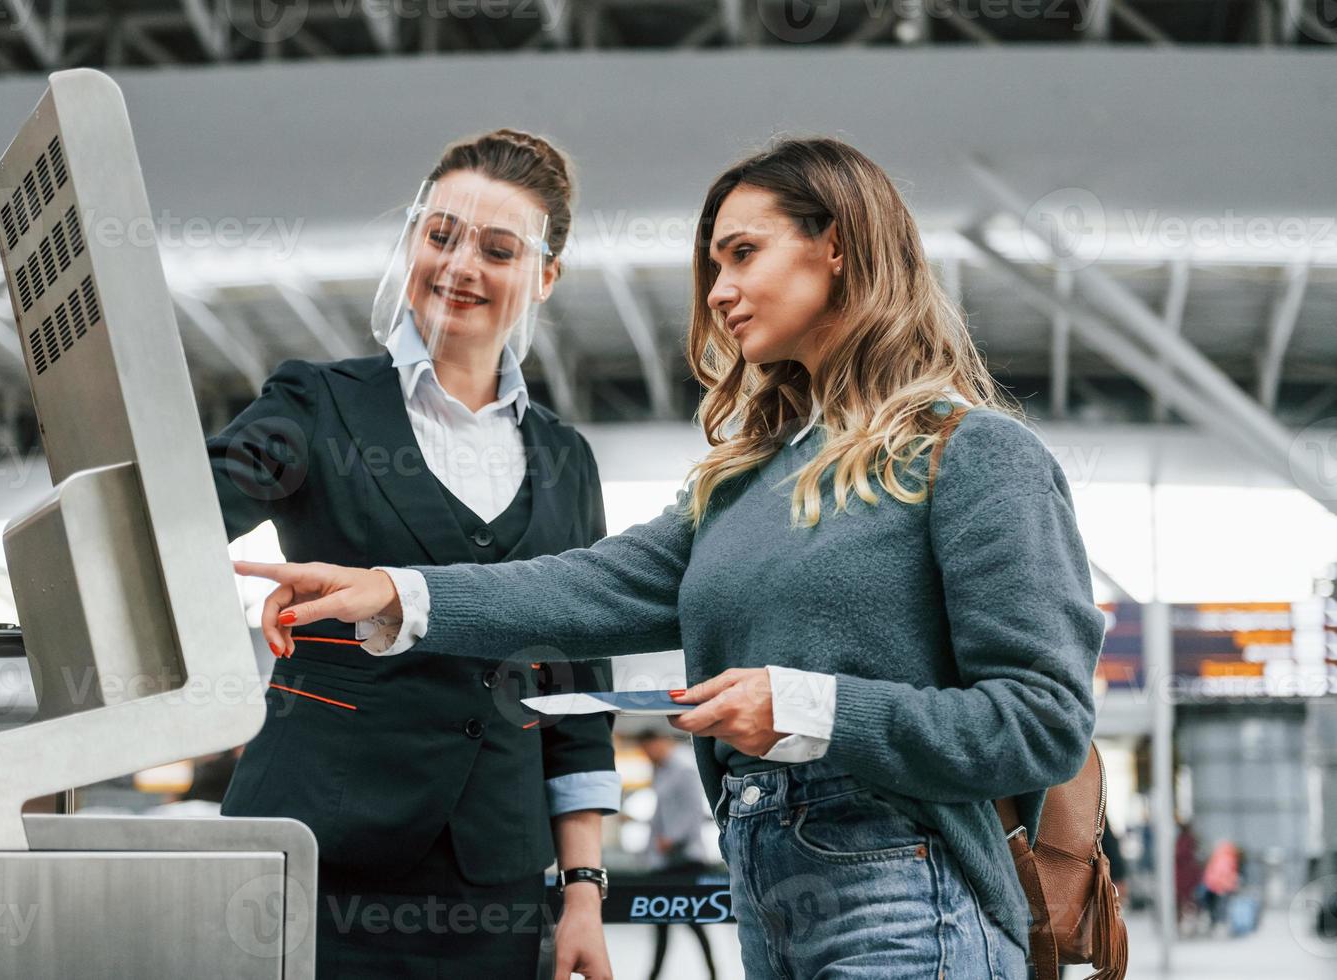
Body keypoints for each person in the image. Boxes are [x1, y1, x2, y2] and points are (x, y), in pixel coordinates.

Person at [235, 137, 1104, 978]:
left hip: (915, 897)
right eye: (712, 269)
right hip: (769, 894)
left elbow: (1042, 721)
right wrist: (393, 591)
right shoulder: (742, 485)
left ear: (836, 246)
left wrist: (808, 706)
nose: (720, 293)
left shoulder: (972, 453)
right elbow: (583, 588)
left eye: (742, 255)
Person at [210, 129, 618, 979]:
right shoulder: (317, 403)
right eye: (441, 235)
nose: (461, 264)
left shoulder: (565, 461)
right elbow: (181, 515)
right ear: (413, 242)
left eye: (498, 249)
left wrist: (581, 891)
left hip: (492, 884)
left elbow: (577, 695)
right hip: (316, 860)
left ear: (543, 277)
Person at [639, 730, 717, 980]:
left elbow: (694, 810)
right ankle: (654, 974)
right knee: (662, 920)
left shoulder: (683, 767)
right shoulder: (660, 770)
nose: (646, 754)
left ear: (660, 741)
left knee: (693, 920)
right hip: (664, 861)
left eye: (647, 747)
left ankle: (713, 972)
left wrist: (671, 839)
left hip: (684, 859)